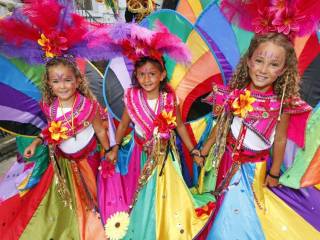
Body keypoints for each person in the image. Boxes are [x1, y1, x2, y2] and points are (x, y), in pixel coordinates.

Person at [195, 32, 320, 239]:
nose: (263, 70)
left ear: (283, 70)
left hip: (252, 171)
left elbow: (279, 139)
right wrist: (204, 150)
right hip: (223, 162)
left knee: (237, 217)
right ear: (249, 62)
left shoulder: (281, 104)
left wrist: (273, 173)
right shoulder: (236, 93)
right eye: (259, 61)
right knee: (216, 208)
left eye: (273, 64)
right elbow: (223, 125)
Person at [100, 54, 215, 239]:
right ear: (136, 76)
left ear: (162, 75)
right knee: (143, 191)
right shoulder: (132, 98)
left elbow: (178, 126)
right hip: (140, 154)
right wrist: (114, 147)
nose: (147, 79)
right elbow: (122, 125)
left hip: (164, 157)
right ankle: (145, 221)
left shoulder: (169, 98)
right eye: (142, 74)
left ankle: (166, 224)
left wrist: (193, 149)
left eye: (152, 74)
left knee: (167, 191)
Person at [0, 57, 109, 239]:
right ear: (49, 84)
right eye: (56, 81)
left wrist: (110, 151)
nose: (63, 86)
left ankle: (99, 219)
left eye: (67, 80)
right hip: (65, 165)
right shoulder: (51, 108)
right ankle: (80, 220)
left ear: (77, 80)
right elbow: (50, 130)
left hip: (90, 160)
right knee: (75, 198)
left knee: (96, 194)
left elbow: (100, 130)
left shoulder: (88, 106)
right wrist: (35, 143)